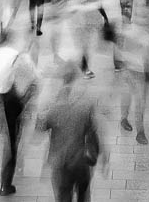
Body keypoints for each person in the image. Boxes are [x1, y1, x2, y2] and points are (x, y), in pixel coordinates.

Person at [38, 66, 108, 201]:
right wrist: (105, 156)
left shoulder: (53, 107)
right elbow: (96, 131)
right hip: (82, 162)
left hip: (60, 163)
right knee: (84, 195)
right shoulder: (86, 104)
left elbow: (39, 130)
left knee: (63, 195)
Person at [0, 42, 38, 197]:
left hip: (7, 100)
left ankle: (7, 176)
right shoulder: (26, 63)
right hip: (15, 102)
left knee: (10, 138)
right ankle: (5, 185)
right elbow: (34, 87)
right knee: (11, 143)